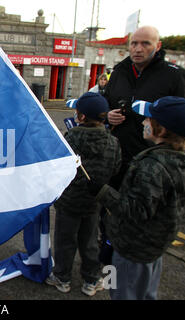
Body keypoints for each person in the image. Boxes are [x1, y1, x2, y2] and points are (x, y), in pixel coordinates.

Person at [88, 96, 185, 300]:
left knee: (123, 292)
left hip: (132, 249)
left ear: (163, 129)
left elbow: (134, 210)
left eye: (149, 120)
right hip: (153, 247)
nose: (143, 122)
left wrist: (102, 192)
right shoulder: (177, 160)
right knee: (145, 292)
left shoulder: (153, 167)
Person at [45, 92, 121, 297]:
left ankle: (62, 277)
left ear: (82, 117)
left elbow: (58, 167)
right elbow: (115, 168)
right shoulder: (113, 142)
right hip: (95, 203)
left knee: (65, 241)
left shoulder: (71, 137)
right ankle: (91, 279)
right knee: (90, 241)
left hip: (69, 203)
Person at [104, 25, 184, 189]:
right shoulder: (119, 71)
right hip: (117, 157)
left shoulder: (174, 75)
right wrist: (107, 114)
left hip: (155, 164)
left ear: (158, 46)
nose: (138, 49)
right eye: (134, 43)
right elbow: (105, 100)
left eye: (145, 43)